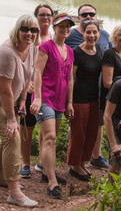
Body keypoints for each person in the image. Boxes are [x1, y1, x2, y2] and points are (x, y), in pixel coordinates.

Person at [0, 14, 39, 208]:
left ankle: (2, 178)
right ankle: (14, 192)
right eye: (25, 29)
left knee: (8, 137)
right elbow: (4, 90)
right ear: (17, 30)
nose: (29, 33)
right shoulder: (5, 53)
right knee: (12, 136)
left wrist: (22, 100)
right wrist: (11, 118)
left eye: (33, 30)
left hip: (12, 99)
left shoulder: (33, 48)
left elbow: (29, 75)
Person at [30, 12, 75, 199]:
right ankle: (52, 182)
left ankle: (47, 172)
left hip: (59, 101)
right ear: (54, 27)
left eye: (68, 26)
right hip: (45, 98)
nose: (65, 29)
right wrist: (37, 98)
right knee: (50, 138)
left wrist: (69, 102)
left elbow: (70, 78)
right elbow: (38, 73)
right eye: (61, 26)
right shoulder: (45, 47)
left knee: (49, 139)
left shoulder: (70, 51)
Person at [66, 19, 103, 182]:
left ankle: (82, 163)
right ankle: (74, 166)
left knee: (91, 133)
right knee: (78, 134)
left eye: (95, 32)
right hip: (79, 100)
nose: (92, 35)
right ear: (83, 34)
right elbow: (70, 79)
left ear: (99, 34)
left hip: (94, 99)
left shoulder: (99, 50)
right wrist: (69, 102)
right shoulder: (76, 52)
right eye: (88, 32)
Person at [94, 23, 121, 170]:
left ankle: (118, 161)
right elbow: (107, 82)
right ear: (114, 37)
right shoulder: (110, 54)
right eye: (120, 35)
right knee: (112, 131)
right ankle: (112, 162)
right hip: (111, 99)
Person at [20, 4, 52, 179]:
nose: (45, 18)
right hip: (29, 88)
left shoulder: (54, 37)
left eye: (48, 15)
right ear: (36, 16)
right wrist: (28, 82)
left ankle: (42, 161)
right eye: (42, 15)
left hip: (47, 89)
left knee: (45, 125)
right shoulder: (30, 36)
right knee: (27, 126)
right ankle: (25, 163)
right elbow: (21, 61)